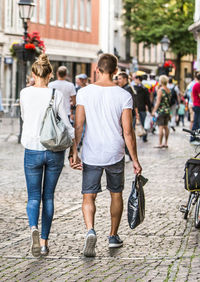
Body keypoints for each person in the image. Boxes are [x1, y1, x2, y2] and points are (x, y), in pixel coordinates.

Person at [70, 53, 142, 257]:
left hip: (92, 152)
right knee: (115, 193)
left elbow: (78, 125)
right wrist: (135, 159)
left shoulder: (84, 93)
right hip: (115, 152)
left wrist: (74, 150)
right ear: (116, 71)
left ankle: (90, 230)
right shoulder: (123, 95)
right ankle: (112, 236)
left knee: (88, 195)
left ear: (97, 70)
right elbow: (128, 131)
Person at [20, 54, 77, 257]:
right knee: (49, 196)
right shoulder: (56, 94)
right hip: (54, 150)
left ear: (33, 74)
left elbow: (25, 117)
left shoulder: (24, 93)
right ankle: (44, 242)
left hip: (32, 149)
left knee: (33, 197)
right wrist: (74, 149)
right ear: (51, 75)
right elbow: (67, 124)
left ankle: (33, 227)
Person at [118, 72, 138, 161]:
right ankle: (128, 154)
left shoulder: (127, 89)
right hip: (129, 114)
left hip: (128, 115)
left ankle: (128, 154)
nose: (118, 81)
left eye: (120, 79)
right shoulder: (126, 88)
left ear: (125, 79)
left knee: (127, 133)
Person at [152, 75, 171, 148]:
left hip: (161, 111)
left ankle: (160, 143)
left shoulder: (160, 90)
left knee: (160, 127)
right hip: (167, 110)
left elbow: (158, 102)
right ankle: (166, 143)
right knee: (166, 127)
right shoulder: (168, 90)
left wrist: (154, 111)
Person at [133, 75, 151, 142]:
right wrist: (149, 108)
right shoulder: (144, 88)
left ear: (138, 79)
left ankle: (143, 136)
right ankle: (143, 136)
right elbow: (147, 100)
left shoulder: (135, 88)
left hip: (138, 108)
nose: (134, 80)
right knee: (142, 123)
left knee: (138, 123)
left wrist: (149, 108)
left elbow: (147, 100)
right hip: (141, 108)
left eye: (135, 79)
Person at [190, 73, 200, 144]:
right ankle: (193, 138)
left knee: (197, 122)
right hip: (198, 105)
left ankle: (194, 138)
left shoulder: (195, 84)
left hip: (196, 105)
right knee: (196, 122)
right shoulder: (198, 85)